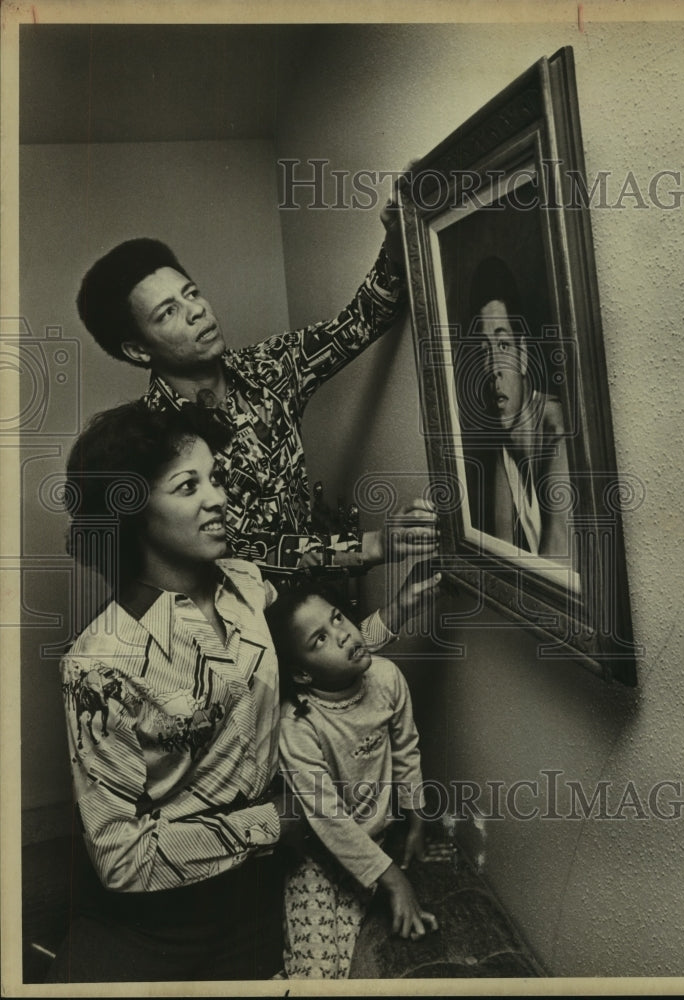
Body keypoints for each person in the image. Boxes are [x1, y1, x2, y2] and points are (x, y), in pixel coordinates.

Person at [48, 401, 440, 983]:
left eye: (217, 478)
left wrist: (398, 612)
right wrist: (271, 825)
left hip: (252, 899)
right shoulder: (98, 665)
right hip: (152, 920)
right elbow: (119, 856)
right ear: (134, 512)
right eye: (188, 485)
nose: (218, 497)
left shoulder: (247, 586)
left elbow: (321, 656)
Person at [75, 199, 436, 573]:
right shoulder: (150, 441)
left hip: (320, 608)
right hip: (235, 619)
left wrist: (397, 238)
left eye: (192, 293)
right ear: (137, 349)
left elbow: (360, 322)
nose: (196, 311)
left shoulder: (271, 366)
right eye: (168, 312)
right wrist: (371, 545)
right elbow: (237, 548)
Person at [267, 578, 438, 979]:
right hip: (317, 856)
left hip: (375, 841)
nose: (343, 634)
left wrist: (416, 818)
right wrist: (393, 880)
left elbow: (406, 750)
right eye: (320, 640)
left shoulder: (388, 678)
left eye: (338, 617)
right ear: (303, 675)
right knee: (314, 972)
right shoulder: (297, 726)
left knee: (344, 965)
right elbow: (327, 817)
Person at [462, 256, 571, 558]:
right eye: (483, 349)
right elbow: (502, 552)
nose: (493, 367)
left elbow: (558, 566)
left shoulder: (556, 430)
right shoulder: (504, 442)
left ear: (523, 354)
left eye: (503, 345)